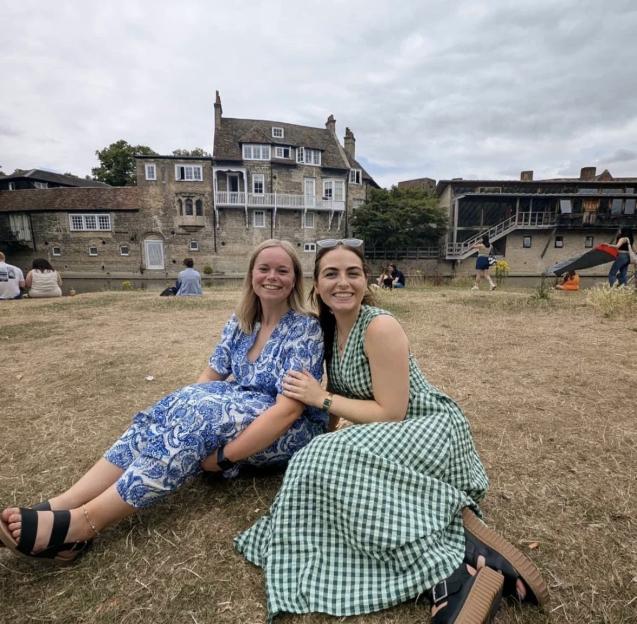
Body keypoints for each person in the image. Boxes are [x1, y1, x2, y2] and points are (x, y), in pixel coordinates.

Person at [235, 239, 549, 624]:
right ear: (316, 286)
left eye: (353, 273)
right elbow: (344, 400)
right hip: (393, 433)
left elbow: (392, 412)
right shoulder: (330, 329)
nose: (343, 283)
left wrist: (322, 400)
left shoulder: (380, 326)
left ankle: (448, 576)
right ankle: (467, 538)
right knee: (315, 464)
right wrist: (326, 430)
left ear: (367, 281)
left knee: (322, 459)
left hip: (430, 429)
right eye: (331, 274)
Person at [0, 240, 326, 564]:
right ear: (251, 275)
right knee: (173, 406)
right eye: (264, 268)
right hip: (242, 412)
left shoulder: (305, 328)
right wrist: (182, 411)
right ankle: (62, 503)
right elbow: (208, 378)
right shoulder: (243, 321)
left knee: (198, 415)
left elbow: (288, 411)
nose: (272, 276)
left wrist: (223, 457)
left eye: (282, 270)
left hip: (288, 431)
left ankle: (81, 525)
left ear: (295, 279)